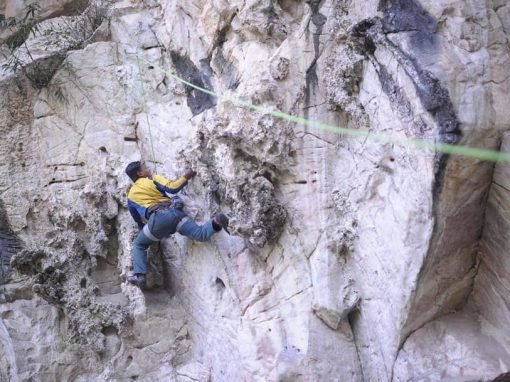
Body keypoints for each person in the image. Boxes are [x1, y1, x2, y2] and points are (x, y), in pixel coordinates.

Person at [124, 161, 229, 287]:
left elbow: (136, 217)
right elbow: (173, 187)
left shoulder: (131, 196)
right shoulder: (153, 179)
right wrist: (190, 173)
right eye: (145, 167)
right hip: (177, 214)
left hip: (158, 219)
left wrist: (145, 229)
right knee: (201, 234)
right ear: (139, 173)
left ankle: (140, 276)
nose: (148, 167)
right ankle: (217, 221)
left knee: (138, 244)